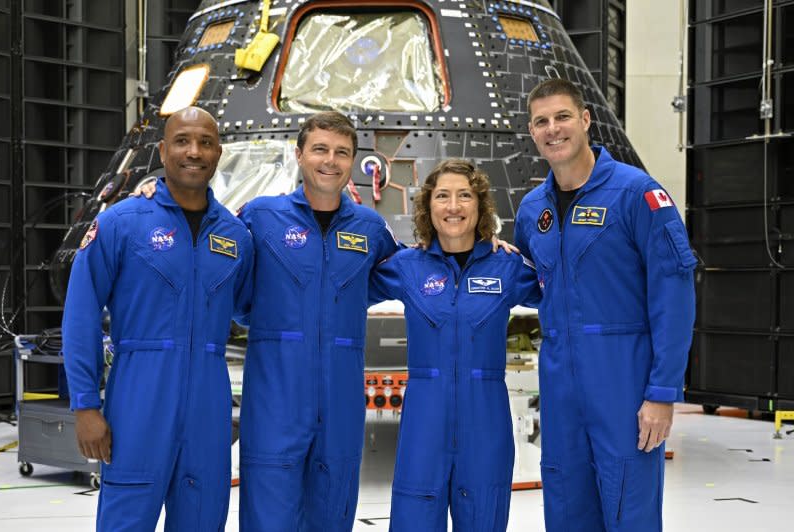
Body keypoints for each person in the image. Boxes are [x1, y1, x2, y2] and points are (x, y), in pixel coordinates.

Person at [513, 78, 696, 531]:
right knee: (566, 498)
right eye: (541, 122)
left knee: (628, 501)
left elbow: (673, 295)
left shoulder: (638, 194)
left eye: (562, 117)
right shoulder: (533, 209)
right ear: (532, 133)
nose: (553, 129)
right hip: (559, 383)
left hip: (624, 379)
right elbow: (532, 282)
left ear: (586, 120)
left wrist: (662, 392)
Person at [62, 106, 254, 531]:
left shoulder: (236, 236)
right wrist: (85, 405)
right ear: (164, 150)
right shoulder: (121, 223)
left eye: (205, 142)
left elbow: (251, 308)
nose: (194, 151)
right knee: (126, 518)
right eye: (183, 141)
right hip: (138, 396)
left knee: (203, 517)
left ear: (218, 152)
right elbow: (81, 314)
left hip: (209, 399)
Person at [237, 111, 402, 531]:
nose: (330, 160)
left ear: (353, 162)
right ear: (299, 154)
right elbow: (220, 269)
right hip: (276, 396)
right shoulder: (260, 217)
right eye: (320, 150)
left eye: (342, 152)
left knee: (332, 511)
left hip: (341, 399)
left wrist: (482, 242)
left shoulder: (369, 226)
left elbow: (409, 271)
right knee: (269, 515)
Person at [369, 159, 541, 531]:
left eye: (465, 196)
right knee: (415, 517)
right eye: (443, 196)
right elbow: (348, 283)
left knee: (484, 516)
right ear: (428, 207)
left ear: (479, 207)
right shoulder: (406, 265)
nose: (453, 206)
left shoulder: (506, 266)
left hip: (487, 417)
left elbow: (559, 288)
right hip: (423, 418)